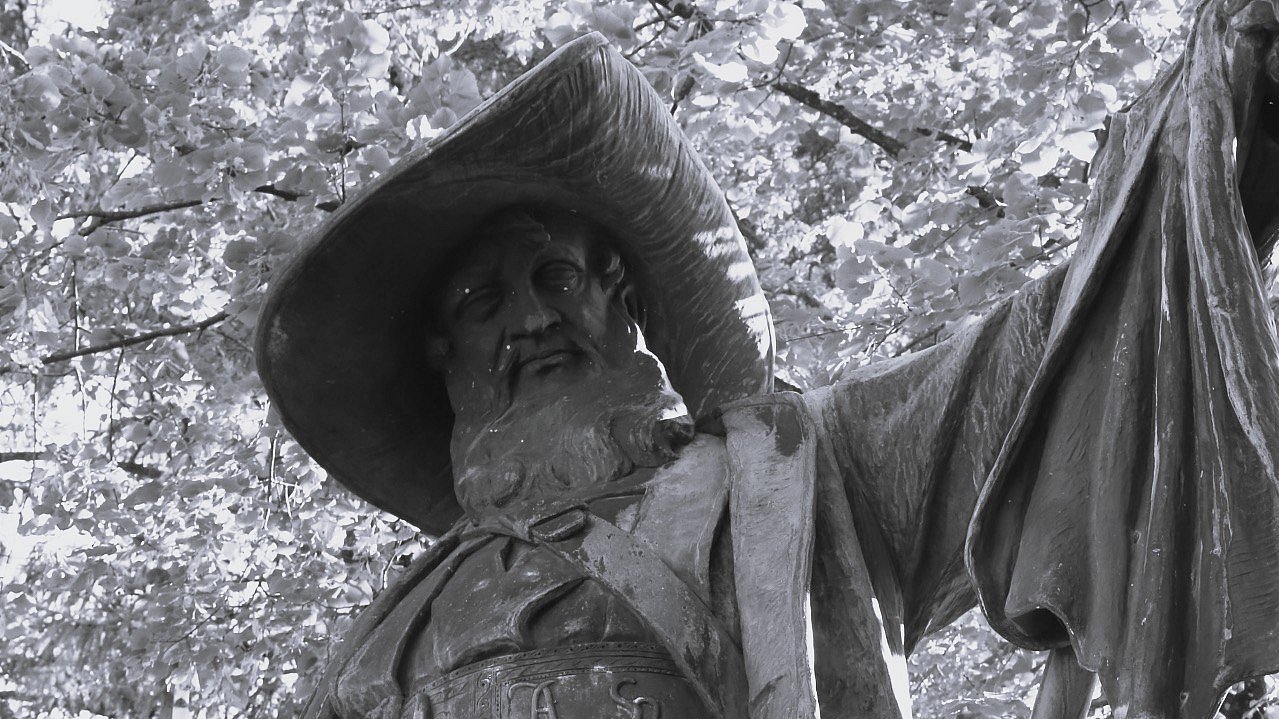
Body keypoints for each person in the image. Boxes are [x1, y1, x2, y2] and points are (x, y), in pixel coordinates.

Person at [255, 3, 1279, 717]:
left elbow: (1059, 353)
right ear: (443, 358)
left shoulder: (800, 470)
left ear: (620, 297)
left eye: (554, 277)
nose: (527, 319)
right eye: (482, 302)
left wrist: (1228, 108)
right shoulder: (389, 628)